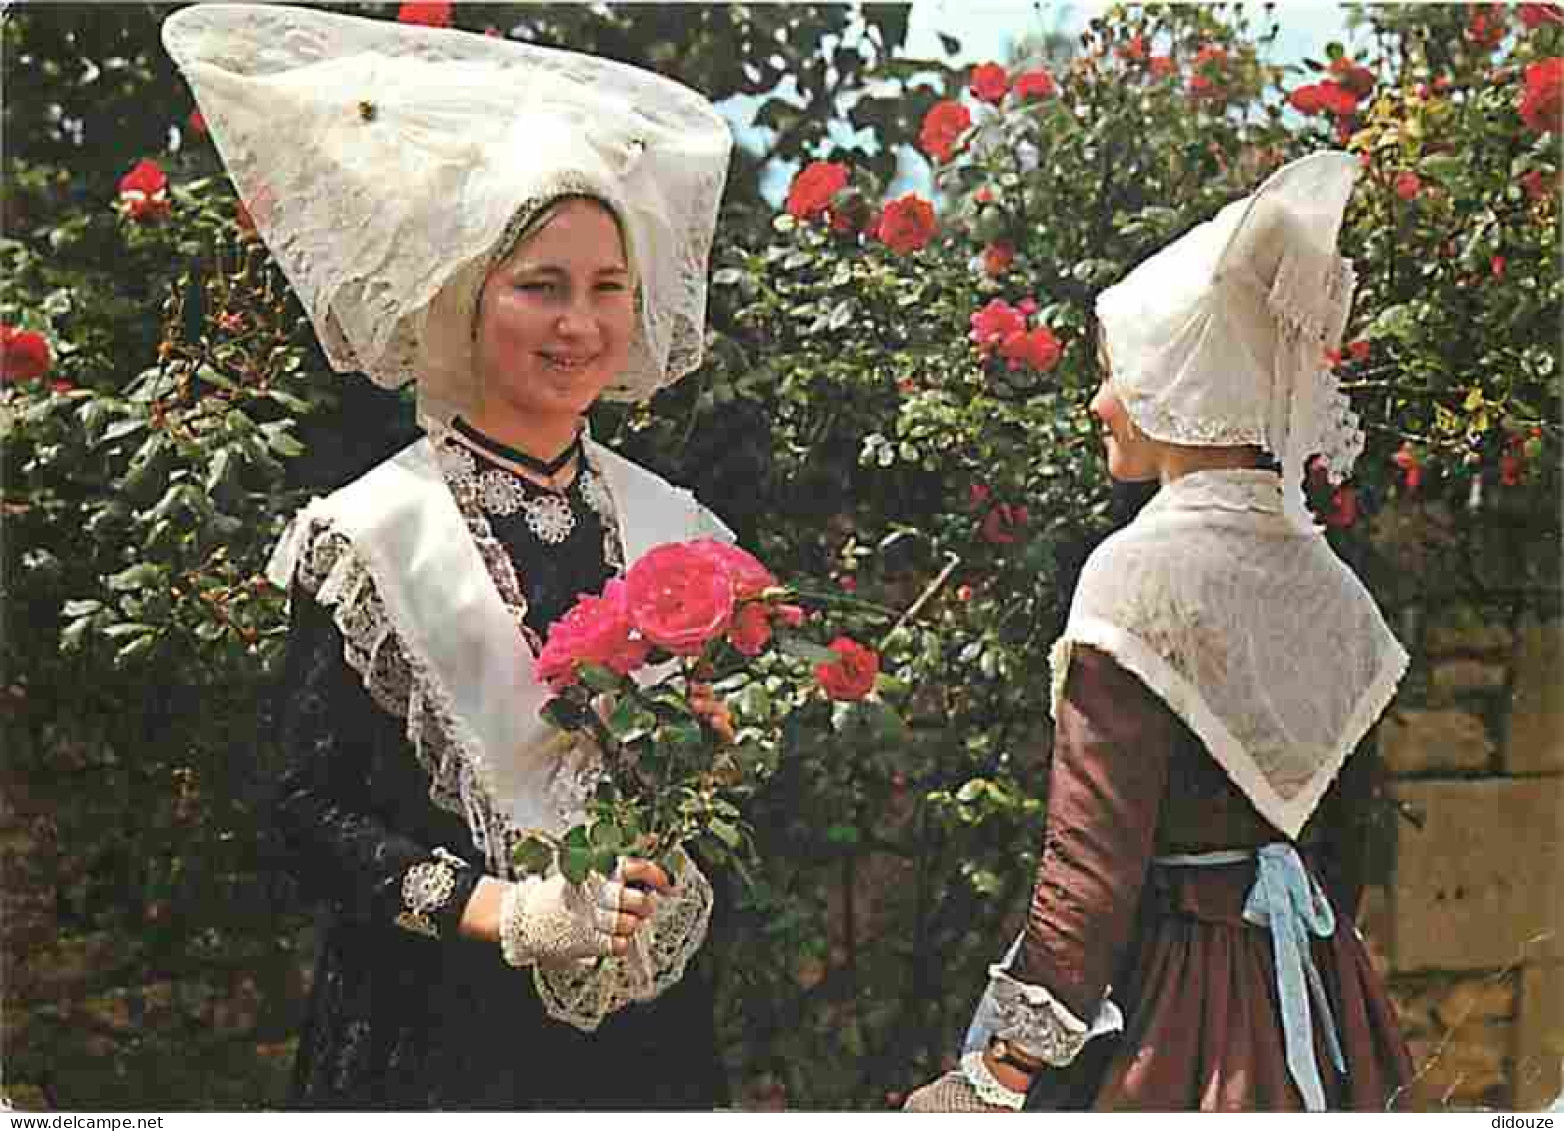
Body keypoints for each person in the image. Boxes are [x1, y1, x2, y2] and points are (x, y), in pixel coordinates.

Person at [163, 5, 735, 1109]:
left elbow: (705, 765)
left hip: (644, 1037)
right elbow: (303, 814)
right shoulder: (373, 535)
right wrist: (508, 912)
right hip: (432, 1030)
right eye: (542, 285)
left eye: (607, 287)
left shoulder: (678, 528)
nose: (581, 323)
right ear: (466, 300)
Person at [904, 151, 1417, 1112]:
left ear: (1187, 381)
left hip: (1176, 1014)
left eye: (1120, 374)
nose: (1101, 402)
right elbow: (1345, 847)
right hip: (1318, 989)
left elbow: (1091, 865)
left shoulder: (1139, 571)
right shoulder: (1331, 583)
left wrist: (1000, 1071)